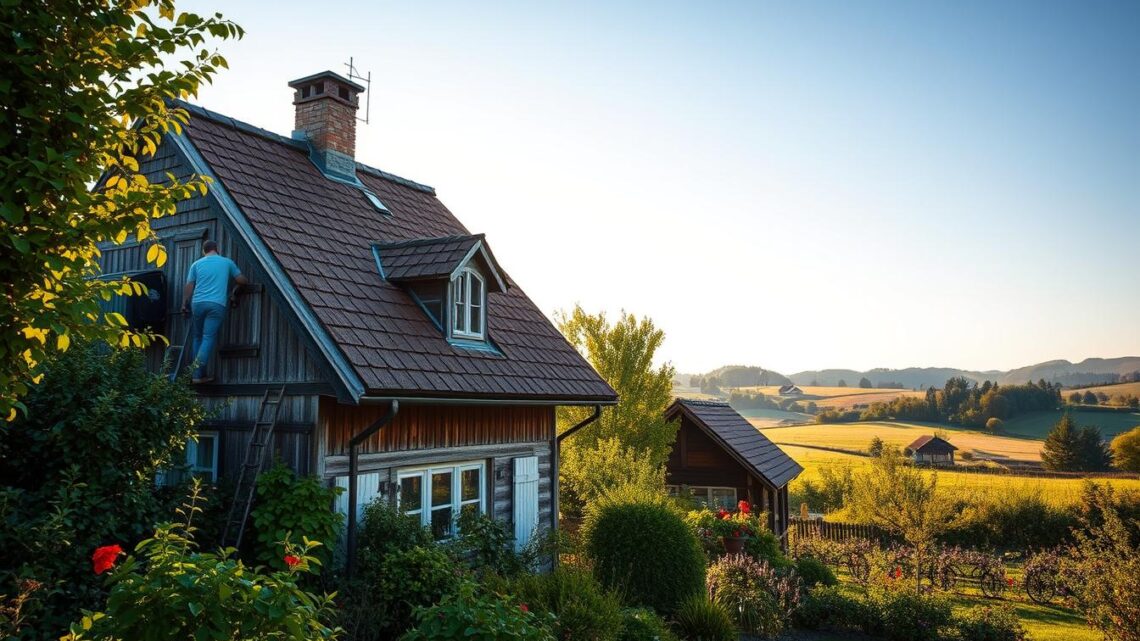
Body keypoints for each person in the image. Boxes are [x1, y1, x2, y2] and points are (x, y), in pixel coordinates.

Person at [181, 240, 248, 384]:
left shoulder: (196, 264)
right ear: (217, 249)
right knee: (208, 337)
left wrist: (183, 303)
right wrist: (241, 283)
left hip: (197, 304)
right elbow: (241, 280)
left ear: (203, 251)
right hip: (216, 304)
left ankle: (198, 374)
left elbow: (189, 286)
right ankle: (197, 375)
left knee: (197, 338)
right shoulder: (227, 262)